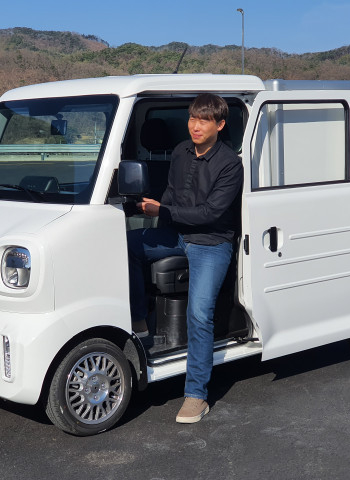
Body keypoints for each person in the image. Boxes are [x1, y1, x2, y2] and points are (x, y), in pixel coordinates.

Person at [127, 93, 243, 423]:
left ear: (220, 125)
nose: (196, 125)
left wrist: (162, 211)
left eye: (204, 120)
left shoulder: (230, 164)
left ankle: (196, 395)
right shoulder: (180, 151)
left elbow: (210, 213)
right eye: (192, 118)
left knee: (199, 314)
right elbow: (172, 195)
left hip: (211, 243)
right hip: (178, 235)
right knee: (127, 244)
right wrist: (148, 209)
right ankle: (139, 320)